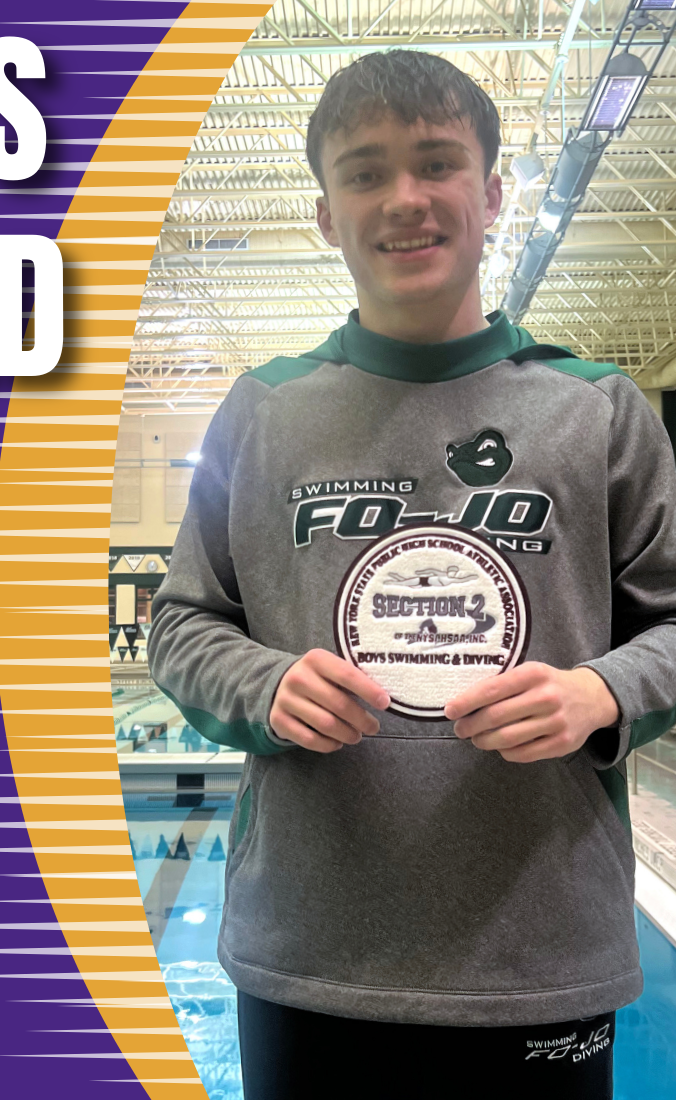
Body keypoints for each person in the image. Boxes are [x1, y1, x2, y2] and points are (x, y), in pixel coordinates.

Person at [147, 49, 676, 1100]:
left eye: (436, 164)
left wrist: (600, 690)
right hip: (310, 951)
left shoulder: (597, 407)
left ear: (489, 195)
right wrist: (264, 686)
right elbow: (182, 624)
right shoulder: (266, 409)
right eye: (364, 172)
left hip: (536, 955)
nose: (404, 198)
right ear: (325, 215)